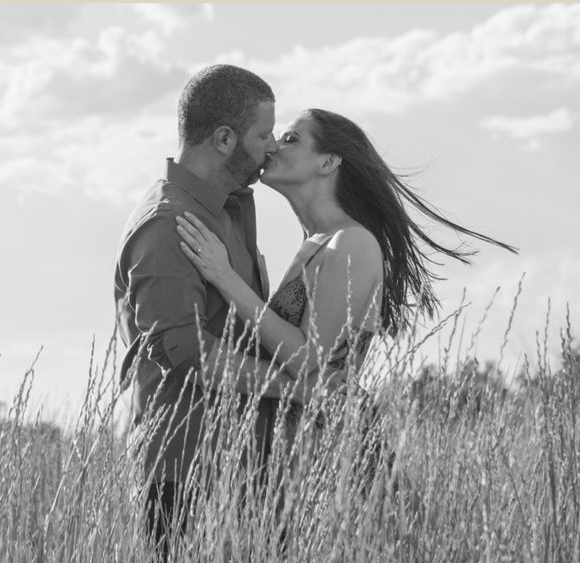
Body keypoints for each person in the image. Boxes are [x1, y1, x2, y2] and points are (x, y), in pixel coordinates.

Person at [175, 108, 517, 444]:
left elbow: (310, 363)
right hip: (303, 451)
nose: (274, 146)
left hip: (337, 451)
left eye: (291, 139)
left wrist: (224, 276)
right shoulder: (316, 244)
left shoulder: (351, 242)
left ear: (328, 162)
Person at [114, 65, 293, 563]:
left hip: (242, 469)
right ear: (223, 138)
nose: (273, 146)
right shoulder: (167, 224)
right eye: (263, 134)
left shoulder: (226, 211)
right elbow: (186, 350)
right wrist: (296, 386)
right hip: (185, 478)